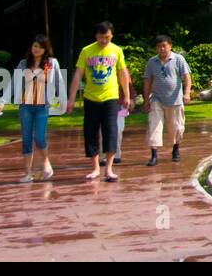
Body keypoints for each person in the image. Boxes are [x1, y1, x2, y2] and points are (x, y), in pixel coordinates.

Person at [67, 21, 131, 182]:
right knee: (91, 132)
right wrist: (71, 98)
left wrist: (127, 96)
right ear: (96, 36)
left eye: (107, 37)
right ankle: (95, 168)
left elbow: (123, 73)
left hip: (111, 97)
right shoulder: (87, 51)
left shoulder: (116, 50)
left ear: (112, 36)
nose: (104, 41)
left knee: (111, 131)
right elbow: (78, 75)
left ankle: (109, 169)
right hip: (91, 98)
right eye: (101, 37)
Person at [0, 35, 61, 183]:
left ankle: (45, 161)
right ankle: (27, 173)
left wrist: (64, 100)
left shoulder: (51, 64)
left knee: (39, 137)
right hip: (25, 106)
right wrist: (2, 101)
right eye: (34, 46)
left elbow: (58, 82)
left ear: (45, 49)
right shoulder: (23, 64)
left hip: (42, 107)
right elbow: (13, 83)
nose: (36, 49)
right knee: (26, 139)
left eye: (39, 46)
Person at [142, 34, 191, 166]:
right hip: (157, 99)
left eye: (164, 46)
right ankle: (154, 155)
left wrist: (186, 94)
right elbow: (147, 81)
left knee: (175, 127)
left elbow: (186, 78)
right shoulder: (152, 62)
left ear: (170, 46)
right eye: (159, 47)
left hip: (175, 100)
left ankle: (175, 149)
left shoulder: (178, 59)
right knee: (154, 126)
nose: (162, 49)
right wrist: (146, 100)